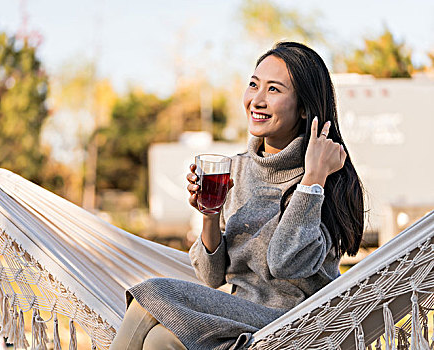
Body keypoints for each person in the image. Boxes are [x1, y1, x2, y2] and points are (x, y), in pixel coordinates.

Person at [110, 41, 364, 350]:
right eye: (253, 85)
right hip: (236, 315)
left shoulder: (327, 176)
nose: (256, 100)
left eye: (274, 90)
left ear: (303, 108)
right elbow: (212, 278)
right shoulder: (237, 169)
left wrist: (312, 180)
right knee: (160, 340)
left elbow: (286, 263)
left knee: (150, 296)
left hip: (295, 327)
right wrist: (210, 214)